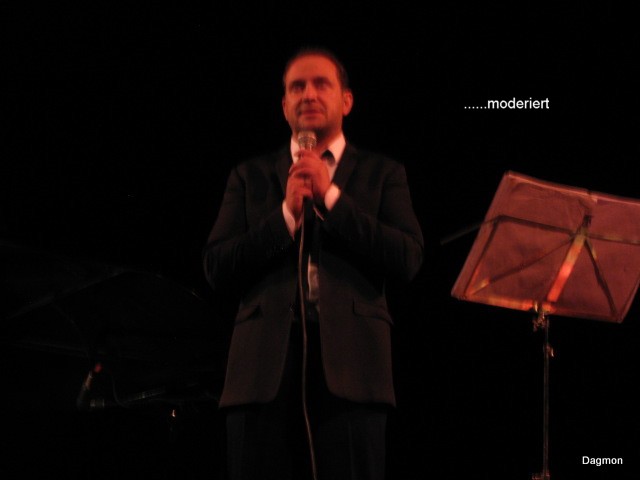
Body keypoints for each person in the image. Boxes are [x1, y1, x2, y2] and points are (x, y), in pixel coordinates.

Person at [203, 46, 424, 480]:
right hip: (261, 374)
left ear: (346, 100)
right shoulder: (249, 176)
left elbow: (408, 258)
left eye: (321, 84)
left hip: (353, 373)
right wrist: (285, 216)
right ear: (284, 105)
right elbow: (217, 267)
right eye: (296, 87)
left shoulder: (383, 173)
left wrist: (331, 198)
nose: (308, 94)